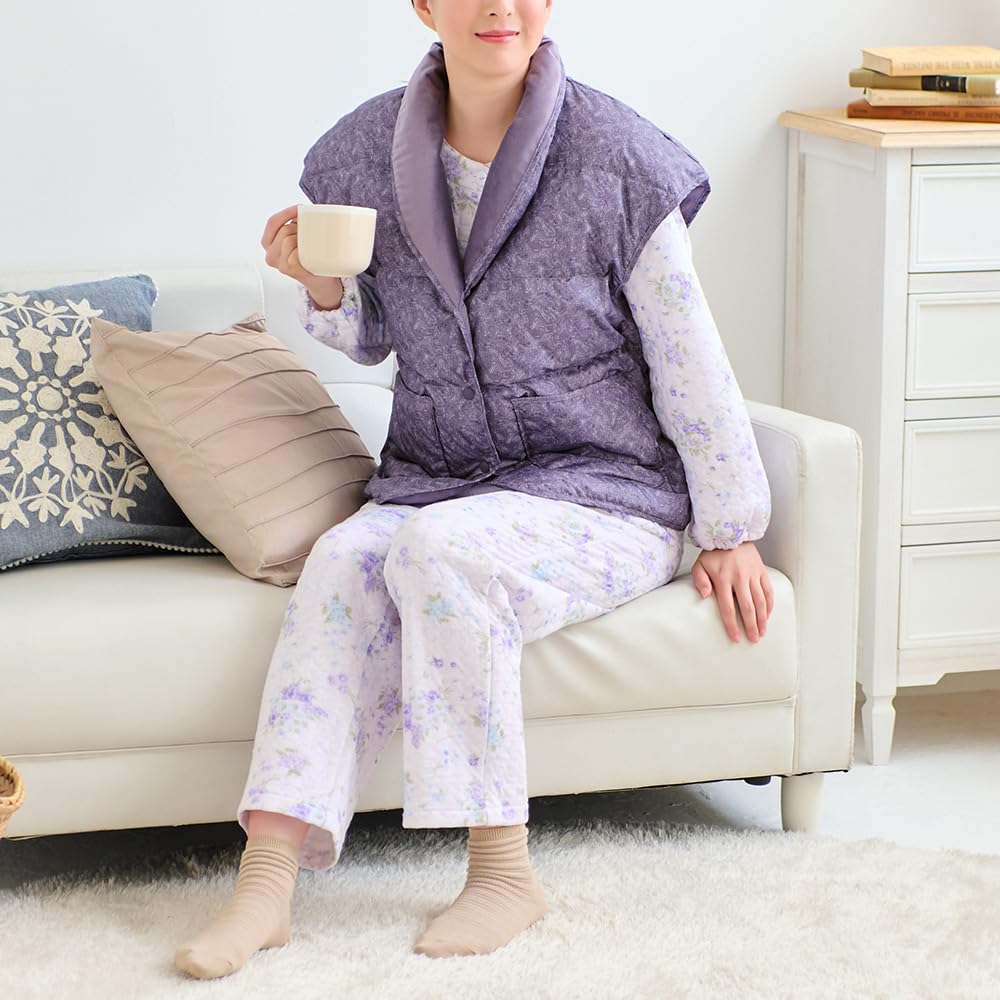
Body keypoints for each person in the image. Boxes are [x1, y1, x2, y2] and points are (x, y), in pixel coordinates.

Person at [174, 0, 774, 980]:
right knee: (343, 559)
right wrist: (319, 287)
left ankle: (502, 872)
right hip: (440, 478)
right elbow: (371, 333)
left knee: (440, 553)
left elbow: (687, 354)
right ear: (424, 4)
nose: (500, 5)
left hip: (604, 488)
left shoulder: (619, 159)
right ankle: (266, 882)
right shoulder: (363, 153)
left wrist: (730, 523)